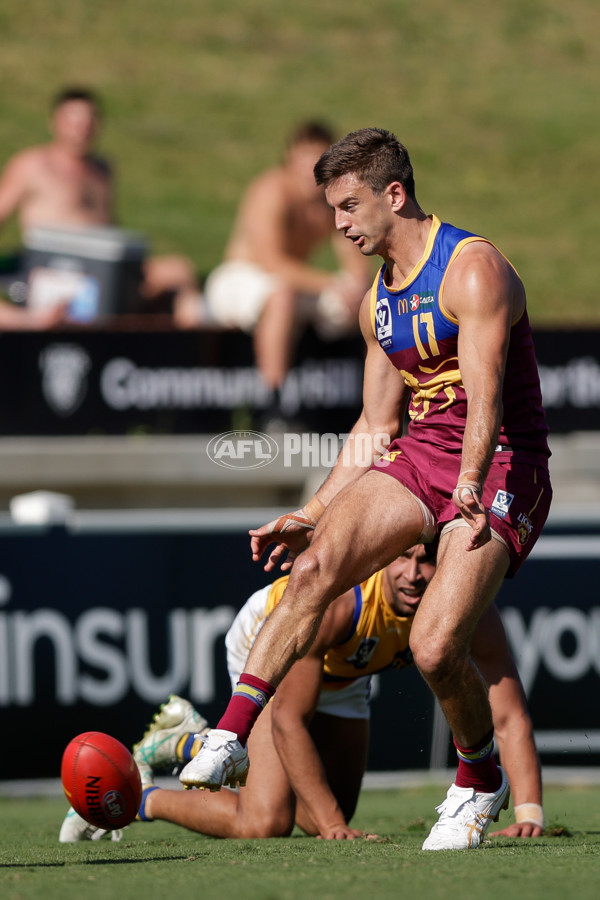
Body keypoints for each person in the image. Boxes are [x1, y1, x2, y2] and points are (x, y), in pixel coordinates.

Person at [178, 128, 552, 852]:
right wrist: (312, 512)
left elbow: (487, 400)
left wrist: (470, 484)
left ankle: (479, 777)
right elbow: (377, 425)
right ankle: (227, 736)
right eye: (331, 209)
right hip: (424, 455)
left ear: (394, 193)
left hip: (503, 461)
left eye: (348, 207)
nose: (337, 224)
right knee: (311, 567)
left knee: (437, 646)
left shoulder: (471, 269)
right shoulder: (377, 300)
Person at [59, 545, 544, 843]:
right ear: (385, 555)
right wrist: (334, 828)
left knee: (329, 810)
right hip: (271, 648)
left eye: (428, 560)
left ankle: (191, 741)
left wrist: (529, 814)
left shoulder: (465, 606)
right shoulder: (341, 603)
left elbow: (508, 715)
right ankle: (147, 798)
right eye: (403, 557)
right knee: (267, 821)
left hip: (348, 674)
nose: (414, 574)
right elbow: (289, 717)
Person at [200, 121, 371, 398]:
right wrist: (334, 283)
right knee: (282, 297)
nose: (311, 166)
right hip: (238, 280)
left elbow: (356, 259)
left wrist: (357, 288)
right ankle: (274, 403)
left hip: (294, 284)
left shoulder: (330, 200)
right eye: (305, 157)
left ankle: (372, 403)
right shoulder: (272, 189)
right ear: (291, 157)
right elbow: (271, 262)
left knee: (369, 303)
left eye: (319, 157)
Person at [0, 86, 201, 323]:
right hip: (55, 269)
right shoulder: (34, 165)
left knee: (179, 272)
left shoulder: (102, 170)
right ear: (55, 122)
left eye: (88, 121)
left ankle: (188, 354)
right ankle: (31, 324)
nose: (81, 129)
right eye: (73, 121)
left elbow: (110, 227)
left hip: (103, 267)